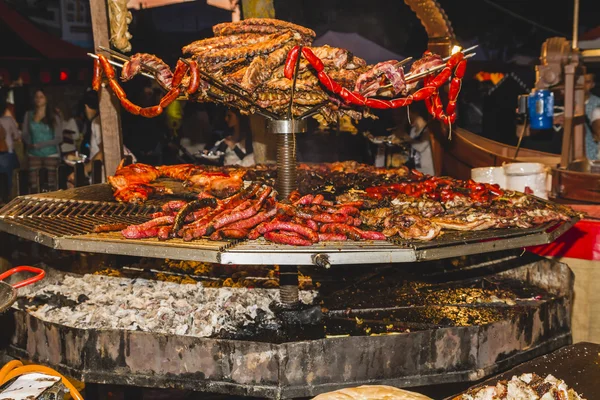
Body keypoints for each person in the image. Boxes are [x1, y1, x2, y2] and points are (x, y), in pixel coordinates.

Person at [21, 88, 63, 191]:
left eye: (41, 97)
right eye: (36, 97)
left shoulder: (54, 116)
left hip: (51, 154)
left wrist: (40, 145)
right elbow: (25, 133)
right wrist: (30, 143)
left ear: (46, 99)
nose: (38, 99)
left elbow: (58, 138)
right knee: (34, 183)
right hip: (33, 153)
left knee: (51, 183)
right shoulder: (29, 115)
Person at [0, 91, 21, 196]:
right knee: (7, 180)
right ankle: (6, 200)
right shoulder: (8, 120)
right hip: (6, 152)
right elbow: (17, 136)